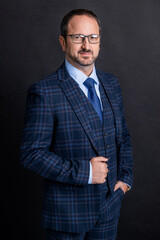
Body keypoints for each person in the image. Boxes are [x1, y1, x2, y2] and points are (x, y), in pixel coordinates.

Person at [20, 9, 133, 240]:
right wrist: (86, 172)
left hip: (109, 208)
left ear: (99, 41)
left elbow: (123, 137)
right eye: (77, 37)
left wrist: (125, 181)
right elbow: (31, 154)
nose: (86, 45)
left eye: (93, 37)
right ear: (63, 42)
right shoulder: (45, 91)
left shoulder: (111, 83)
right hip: (67, 216)